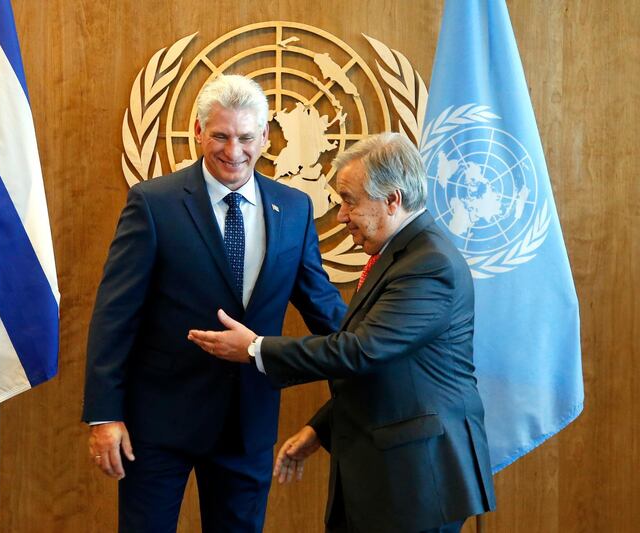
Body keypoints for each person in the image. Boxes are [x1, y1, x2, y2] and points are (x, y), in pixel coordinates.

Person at [188, 132, 496, 533]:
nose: (341, 216)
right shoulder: (398, 256)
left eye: (350, 200)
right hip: (389, 472)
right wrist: (321, 428)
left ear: (392, 200)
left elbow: (362, 352)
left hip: (419, 477)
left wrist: (255, 350)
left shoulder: (429, 265)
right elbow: (386, 367)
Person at [82, 74, 346, 533]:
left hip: (248, 425)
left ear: (266, 136)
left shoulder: (295, 207)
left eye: (246, 137)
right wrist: (105, 414)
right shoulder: (154, 203)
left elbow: (321, 303)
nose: (234, 151)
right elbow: (115, 315)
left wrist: (376, 346)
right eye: (221, 136)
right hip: (159, 424)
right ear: (199, 132)